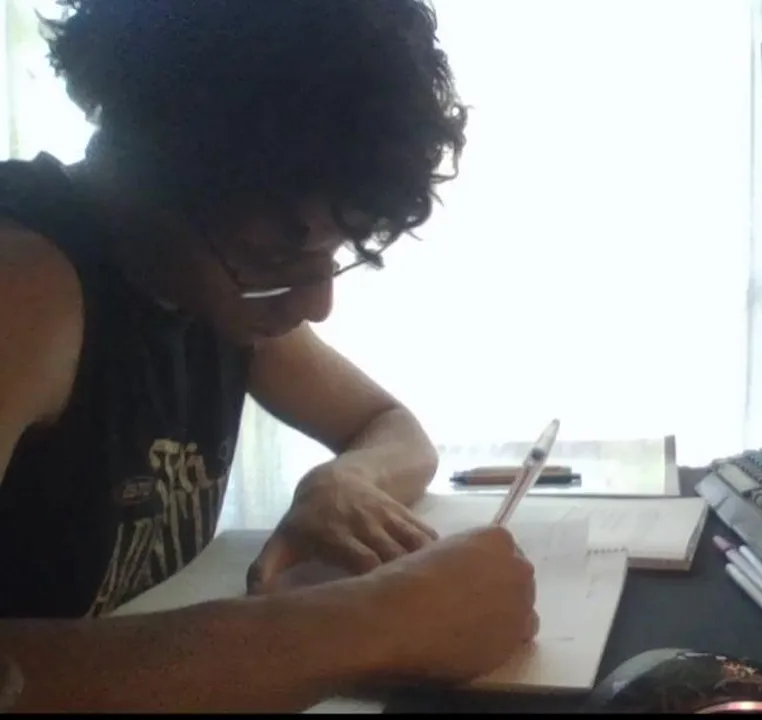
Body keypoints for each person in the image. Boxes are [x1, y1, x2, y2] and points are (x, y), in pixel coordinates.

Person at [0, 0, 538, 712]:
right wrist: (376, 622)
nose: (317, 303)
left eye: (332, 254)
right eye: (275, 255)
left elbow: (390, 426)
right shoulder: (27, 288)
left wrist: (346, 480)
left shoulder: (203, 292)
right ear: (154, 170)